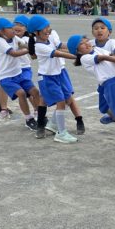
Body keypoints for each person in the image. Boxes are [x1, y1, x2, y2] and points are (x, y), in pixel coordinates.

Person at [69, 33, 115, 159]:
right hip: (111, 85)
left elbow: (113, 54)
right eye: (81, 44)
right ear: (78, 51)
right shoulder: (84, 58)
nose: (86, 44)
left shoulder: (98, 48)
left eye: (86, 41)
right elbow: (103, 58)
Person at [27, 15, 78, 143]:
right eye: (45, 28)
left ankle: (51, 126)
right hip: (47, 77)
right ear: (36, 32)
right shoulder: (39, 46)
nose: (48, 29)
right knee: (60, 102)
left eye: (48, 26)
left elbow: (61, 45)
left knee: (56, 100)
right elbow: (58, 53)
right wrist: (78, 56)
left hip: (57, 74)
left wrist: (77, 47)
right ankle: (61, 133)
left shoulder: (50, 37)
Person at [0, 18, 40, 130]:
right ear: (1, 31)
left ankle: (40, 114)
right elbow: (14, 53)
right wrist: (30, 50)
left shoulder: (14, 38)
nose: (13, 29)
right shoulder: (0, 41)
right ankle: (29, 119)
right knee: (21, 93)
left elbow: (24, 45)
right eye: (9, 28)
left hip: (18, 73)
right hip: (6, 77)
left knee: (35, 91)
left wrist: (34, 47)